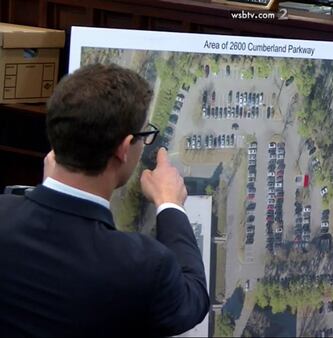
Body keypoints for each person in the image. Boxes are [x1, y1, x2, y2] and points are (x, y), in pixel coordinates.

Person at [0, 64, 209, 336]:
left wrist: (49, 188)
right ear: (124, 148)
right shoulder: (142, 266)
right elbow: (192, 301)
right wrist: (170, 204)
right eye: (144, 136)